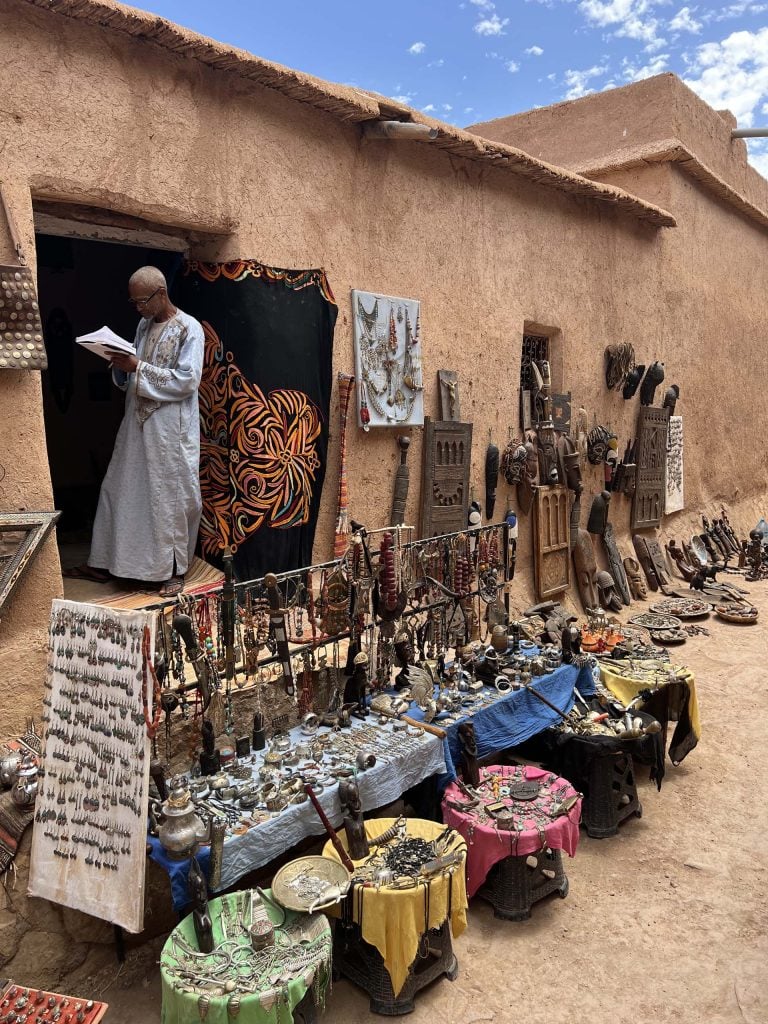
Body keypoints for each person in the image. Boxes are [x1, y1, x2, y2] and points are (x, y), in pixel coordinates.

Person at [74, 266, 204, 598]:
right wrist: (122, 368)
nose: (138, 308)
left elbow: (188, 381)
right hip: (136, 423)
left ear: (161, 293)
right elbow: (135, 368)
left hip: (169, 430)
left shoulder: (189, 329)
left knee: (168, 498)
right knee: (121, 489)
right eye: (133, 303)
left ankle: (173, 571)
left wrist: (138, 368)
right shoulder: (144, 325)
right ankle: (106, 562)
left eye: (142, 301)